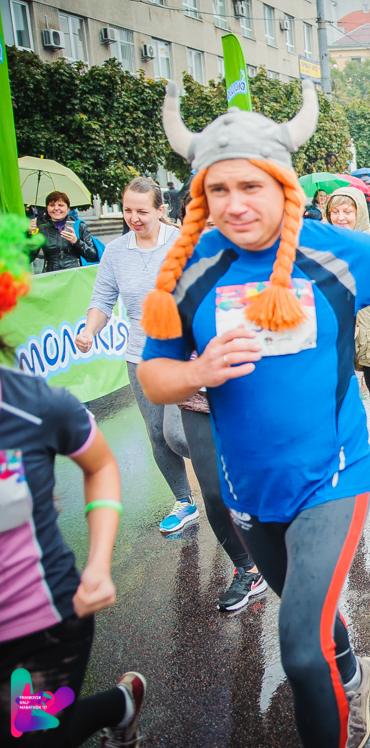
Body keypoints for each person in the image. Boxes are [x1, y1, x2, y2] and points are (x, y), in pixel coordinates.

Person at [138, 80, 370, 748]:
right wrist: (196, 373)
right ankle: (353, 675)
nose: (235, 204)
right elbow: (154, 375)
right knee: (312, 620)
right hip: (248, 489)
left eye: (251, 186)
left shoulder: (339, 252)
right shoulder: (189, 269)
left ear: (284, 186)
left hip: (331, 477)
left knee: (301, 651)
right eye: (219, 190)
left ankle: (337, 693)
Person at [0, 214, 149, 748]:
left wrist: (99, 564)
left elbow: (101, 465)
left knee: (31, 732)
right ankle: (119, 704)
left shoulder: (32, 403)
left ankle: (118, 704)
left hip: (40, 625)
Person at [74, 178, 194, 535]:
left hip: (183, 352)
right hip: (140, 355)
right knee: (157, 434)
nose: (133, 218)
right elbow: (102, 299)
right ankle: (185, 501)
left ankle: (226, 483)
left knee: (179, 434)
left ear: (160, 209)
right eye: (127, 210)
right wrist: (89, 331)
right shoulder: (115, 252)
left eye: (142, 211)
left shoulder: (183, 242)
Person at [176, 210, 269, 613]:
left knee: (266, 487)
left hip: (253, 398)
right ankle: (247, 568)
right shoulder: (179, 275)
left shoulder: (259, 266)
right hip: (198, 400)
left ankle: (290, 560)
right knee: (214, 494)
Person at [325, 186, 370, 456]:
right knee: (340, 384)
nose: (341, 217)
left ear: (359, 212)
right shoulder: (324, 241)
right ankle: (349, 432)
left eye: (347, 211)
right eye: (335, 212)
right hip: (338, 321)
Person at [28, 191, 100, 273]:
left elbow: (93, 257)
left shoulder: (79, 227)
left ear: (68, 208)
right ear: (47, 208)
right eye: (52, 205)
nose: (56, 208)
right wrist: (30, 235)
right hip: (51, 276)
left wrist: (76, 242)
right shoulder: (42, 229)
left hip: (75, 276)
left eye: (60, 205)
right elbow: (28, 258)